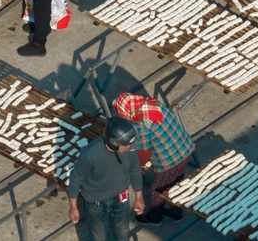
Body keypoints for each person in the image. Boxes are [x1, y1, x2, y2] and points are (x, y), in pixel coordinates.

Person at [112, 93, 194, 227]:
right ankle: (176, 213)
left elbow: (143, 155)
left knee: (158, 189)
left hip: (170, 161)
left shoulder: (141, 125)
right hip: (185, 147)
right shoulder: (153, 104)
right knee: (176, 184)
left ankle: (155, 217)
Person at [68, 117, 145, 241]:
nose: (129, 146)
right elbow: (75, 178)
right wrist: (73, 207)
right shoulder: (90, 154)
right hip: (96, 202)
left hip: (121, 198)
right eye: (126, 144)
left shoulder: (129, 150)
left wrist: (139, 197)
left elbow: (135, 170)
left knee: (122, 234)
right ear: (114, 142)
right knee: (98, 237)